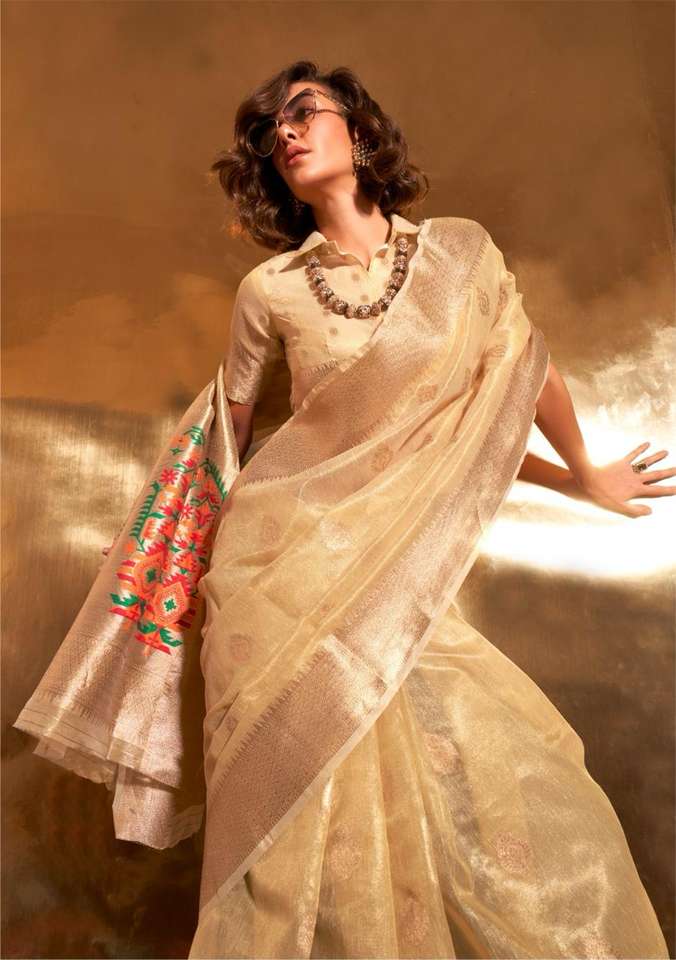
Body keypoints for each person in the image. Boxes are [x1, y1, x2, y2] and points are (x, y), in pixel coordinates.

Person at [14, 60, 673, 959]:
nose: (284, 134)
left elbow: (508, 389)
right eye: (268, 133)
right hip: (273, 574)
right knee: (289, 822)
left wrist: (582, 475)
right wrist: (168, 555)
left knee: (487, 769)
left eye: (302, 113)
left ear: (359, 133)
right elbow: (224, 442)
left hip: (399, 571)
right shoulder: (272, 290)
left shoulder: (461, 256)